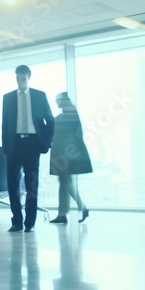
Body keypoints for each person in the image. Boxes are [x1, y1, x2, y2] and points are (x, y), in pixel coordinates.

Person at [1, 64, 55, 233]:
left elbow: (50, 121)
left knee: (31, 184)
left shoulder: (39, 96)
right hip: (14, 144)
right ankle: (16, 221)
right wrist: (5, 148)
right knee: (12, 184)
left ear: (28, 77)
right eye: (17, 77)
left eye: (23, 78)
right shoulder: (7, 98)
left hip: (32, 144)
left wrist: (45, 143)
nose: (20, 80)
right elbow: (5, 124)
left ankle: (30, 223)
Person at [49, 92, 92, 224]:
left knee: (64, 183)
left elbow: (66, 130)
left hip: (67, 154)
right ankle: (82, 207)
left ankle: (62, 214)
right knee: (67, 183)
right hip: (65, 154)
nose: (57, 103)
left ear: (64, 101)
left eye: (58, 100)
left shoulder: (70, 113)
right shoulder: (68, 113)